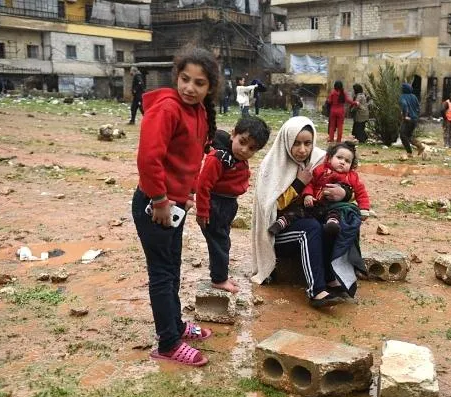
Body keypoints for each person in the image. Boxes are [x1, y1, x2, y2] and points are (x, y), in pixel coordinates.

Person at [131, 47, 219, 367]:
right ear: (176, 76)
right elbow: (148, 159)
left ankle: (177, 326)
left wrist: (189, 191)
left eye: (199, 83)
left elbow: (189, 157)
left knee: (173, 268)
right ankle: (168, 342)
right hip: (155, 205)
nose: (190, 88)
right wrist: (159, 200)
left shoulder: (198, 112)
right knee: (161, 272)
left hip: (175, 204)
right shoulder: (167, 108)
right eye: (185, 79)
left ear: (210, 88)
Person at [252, 116, 365, 308]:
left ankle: (333, 277)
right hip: (278, 233)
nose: (302, 150)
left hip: (311, 217)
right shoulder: (272, 166)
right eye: (296, 143)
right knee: (310, 229)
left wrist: (344, 194)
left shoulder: (320, 160)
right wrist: (299, 183)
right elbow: (272, 207)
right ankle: (316, 291)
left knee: (334, 223)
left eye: (307, 143)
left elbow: (347, 182)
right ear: (286, 142)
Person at [196, 118, 271, 294]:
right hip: (216, 205)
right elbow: (203, 185)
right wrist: (202, 211)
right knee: (219, 243)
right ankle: (219, 279)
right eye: (242, 142)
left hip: (228, 205)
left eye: (252, 148)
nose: (244, 150)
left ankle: (220, 275)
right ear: (233, 134)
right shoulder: (219, 158)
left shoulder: (234, 158)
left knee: (223, 241)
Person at [268, 141, 370, 235]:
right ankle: (281, 223)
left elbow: (361, 192)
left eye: (347, 161)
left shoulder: (351, 176)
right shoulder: (321, 169)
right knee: (297, 211)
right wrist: (308, 195)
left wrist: (364, 209)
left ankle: (332, 225)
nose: (342, 162)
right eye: (339, 158)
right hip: (314, 204)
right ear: (329, 158)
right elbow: (310, 183)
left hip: (332, 206)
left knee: (336, 214)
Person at [399, 83, 425, 158]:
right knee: (408, 135)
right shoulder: (414, 97)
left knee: (402, 135)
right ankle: (419, 146)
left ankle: (409, 152)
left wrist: (405, 116)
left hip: (408, 119)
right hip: (414, 119)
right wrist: (416, 116)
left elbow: (404, 105)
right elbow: (418, 107)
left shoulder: (403, 97)